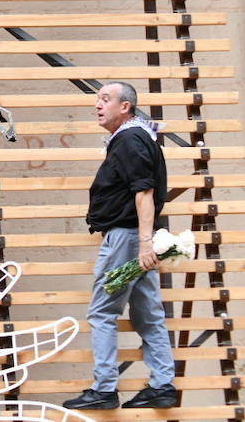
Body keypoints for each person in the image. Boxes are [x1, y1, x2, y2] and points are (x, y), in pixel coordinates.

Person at [64, 82, 178, 411]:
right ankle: (162, 385)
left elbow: (144, 193)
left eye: (105, 99)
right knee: (149, 314)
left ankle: (103, 389)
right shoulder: (136, 136)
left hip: (128, 239)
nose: (97, 105)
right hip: (135, 238)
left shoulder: (129, 139)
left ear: (125, 107)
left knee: (102, 313)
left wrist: (144, 244)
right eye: (97, 99)